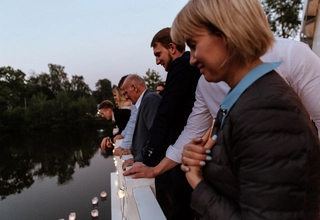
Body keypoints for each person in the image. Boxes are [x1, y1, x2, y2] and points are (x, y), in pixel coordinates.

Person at [171, 0, 320, 219]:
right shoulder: (252, 98)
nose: (192, 60)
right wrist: (203, 157)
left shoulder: (267, 111)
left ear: (226, 33)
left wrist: (197, 181)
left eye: (194, 45)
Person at [124, 34, 320, 182]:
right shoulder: (204, 83)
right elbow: (193, 130)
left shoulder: (292, 54)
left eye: (194, 47)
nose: (191, 60)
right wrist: (156, 169)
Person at [132, 27, 200, 219]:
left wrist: (146, 158)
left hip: (187, 153)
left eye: (158, 54)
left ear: (171, 48)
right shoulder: (188, 66)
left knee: (181, 210)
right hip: (186, 149)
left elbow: (165, 115)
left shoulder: (182, 65)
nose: (156, 61)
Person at [120, 74, 161, 163]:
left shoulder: (149, 99)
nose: (126, 97)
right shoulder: (146, 100)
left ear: (134, 87)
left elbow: (156, 137)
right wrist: (132, 150)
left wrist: (137, 159)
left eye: (126, 93)